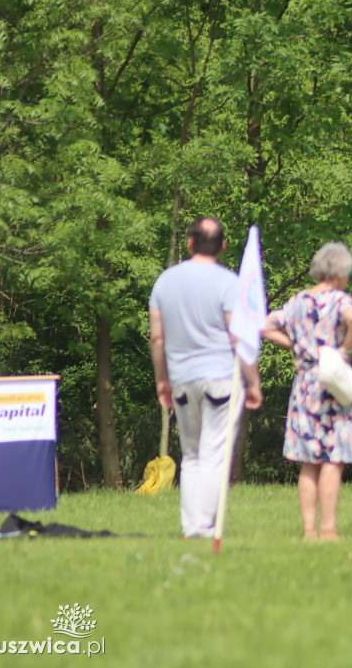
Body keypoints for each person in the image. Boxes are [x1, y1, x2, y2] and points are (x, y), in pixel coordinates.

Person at [149, 217, 263, 539]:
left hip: (182, 379)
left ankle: (191, 527)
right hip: (221, 379)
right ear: (223, 246)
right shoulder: (230, 283)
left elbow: (157, 338)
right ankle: (203, 527)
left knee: (192, 456)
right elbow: (239, 337)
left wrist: (162, 380)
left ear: (188, 243)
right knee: (214, 454)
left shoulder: (164, 282)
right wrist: (253, 382)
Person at [261, 242, 352, 540]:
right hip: (333, 382)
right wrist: (345, 350)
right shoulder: (340, 300)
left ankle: (309, 531)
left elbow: (265, 326)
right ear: (341, 271)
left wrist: (296, 346)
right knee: (333, 458)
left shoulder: (296, 301)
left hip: (305, 383)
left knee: (308, 461)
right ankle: (329, 529)